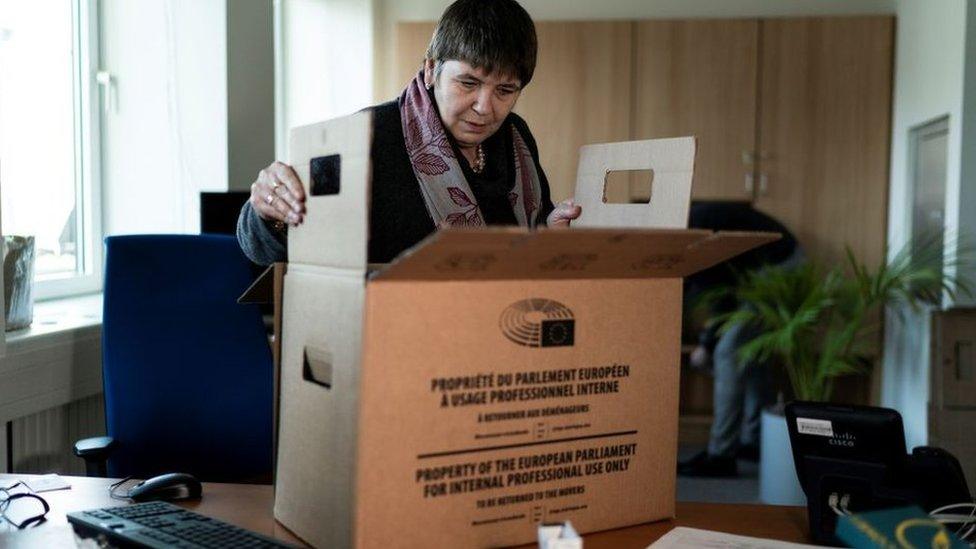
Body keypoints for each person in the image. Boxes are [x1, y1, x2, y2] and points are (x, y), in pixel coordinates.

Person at [237, 0, 581, 266]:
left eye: (505, 91)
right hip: (394, 336)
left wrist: (549, 233)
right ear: (431, 69)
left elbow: (528, 229)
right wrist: (266, 210)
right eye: (468, 83)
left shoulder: (516, 138)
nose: (485, 107)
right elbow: (264, 250)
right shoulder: (367, 137)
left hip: (497, 332)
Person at [678, 200, 801, 478]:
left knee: (728, 351)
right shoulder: (686, 225)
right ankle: (756, 440)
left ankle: (721, 455)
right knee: (750, 356)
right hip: (759, 267)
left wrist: (707, 345)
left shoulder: (696, 233)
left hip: (780, 265)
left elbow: (722, 296)